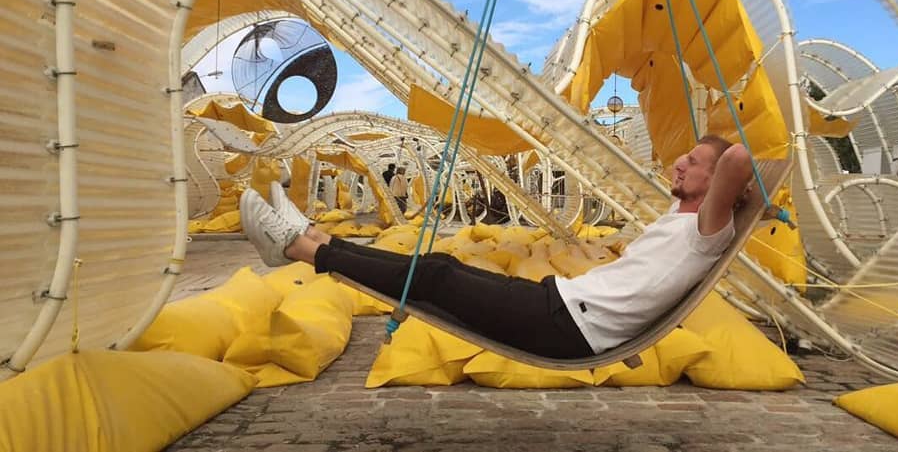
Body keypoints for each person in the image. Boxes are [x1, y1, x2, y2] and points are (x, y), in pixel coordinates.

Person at [239, 135, 752, 359]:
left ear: (718, 185)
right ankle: (317, 238)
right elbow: (723, 167)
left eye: (693, 161)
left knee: (438, 280)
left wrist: (745, 183)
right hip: (561, 304)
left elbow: (740, 159)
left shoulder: (707, 231)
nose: (679, 165)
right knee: (440, 264)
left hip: (569, 328)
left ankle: (298, 250)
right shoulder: (679, 215)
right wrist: (707, 169)